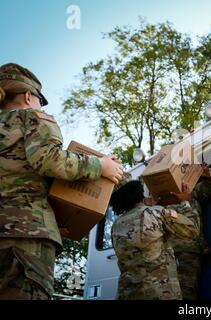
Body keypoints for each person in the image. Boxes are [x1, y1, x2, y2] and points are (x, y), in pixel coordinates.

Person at [0, 63, 124, 300]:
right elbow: (49, 159)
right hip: (26, 239)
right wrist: (101, 166)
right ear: (28, 96)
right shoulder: (32, 117)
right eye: (40, 100)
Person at [110, 178, 199, 300]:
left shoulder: (116, 225)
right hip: (160, 292)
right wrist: (185, 202)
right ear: (138, 193)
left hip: (128, 293)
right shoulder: (157, 213)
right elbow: (192, 230)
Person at [167, 164, 211, 300]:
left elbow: (209, 188)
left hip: (189, 251)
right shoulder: (161, 198)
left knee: (186, 291)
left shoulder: (190, 191)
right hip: (168, 254)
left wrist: (209, 176)